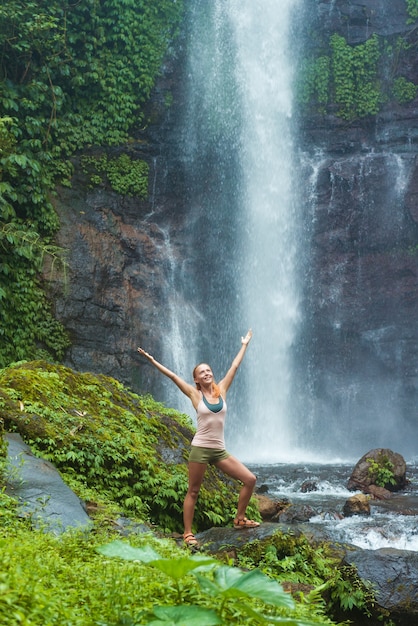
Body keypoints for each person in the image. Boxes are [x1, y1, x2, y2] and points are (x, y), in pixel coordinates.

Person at [137, 329, 259, 547]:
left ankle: (239, 519)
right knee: (193, 490)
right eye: (202, 372)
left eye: (208, 370)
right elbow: (173, 376)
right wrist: (153, 360)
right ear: (196, 379)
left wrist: (244, 345)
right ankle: (187, 533)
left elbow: (234, 366)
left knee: (250, 479)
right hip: (200, 449)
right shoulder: (195, 394)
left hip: (219, 450)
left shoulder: (221, 390)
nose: (206, 373)